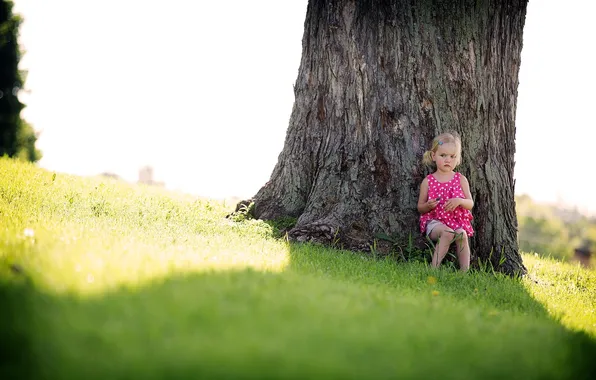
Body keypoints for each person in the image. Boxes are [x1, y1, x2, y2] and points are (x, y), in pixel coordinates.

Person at [417, 132, 474, 271]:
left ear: (457, 158)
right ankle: (433, 269)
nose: (448, 160)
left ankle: (464, 272)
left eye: (452, 156)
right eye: (443, 155)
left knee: (462, 235)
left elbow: (470, 203)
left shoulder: (460, 179)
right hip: (435, 222)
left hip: (456, 221)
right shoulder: (428, 181)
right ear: (433, 156)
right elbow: (420, 207)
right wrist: (428, 206)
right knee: (448, 233)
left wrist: (459, 201)